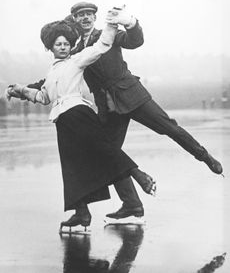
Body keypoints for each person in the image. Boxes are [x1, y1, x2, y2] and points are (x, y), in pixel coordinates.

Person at [17, 2, 224, 221]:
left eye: (89, 14)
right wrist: (22, 90)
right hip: (108, 107)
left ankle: (205, 157)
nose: (85, 18)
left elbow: (135, 41)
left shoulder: (109, 35)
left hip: (131, 94)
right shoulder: (74, 50)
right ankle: (132, 205)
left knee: (169, 128)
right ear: (75, 20)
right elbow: (53, 79)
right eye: (80, 15)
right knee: (109, 154)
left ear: (95, 18)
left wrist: (131, 23)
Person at [6, 14, 155, 232]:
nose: (64, 47)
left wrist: (112, 24)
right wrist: (18, 89)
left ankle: (140, 177)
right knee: (72, 168)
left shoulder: (77, 60)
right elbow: (43, 97)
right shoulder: (51, 73)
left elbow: (102, 45)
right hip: (62, 121)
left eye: (66, 44)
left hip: (79, 113)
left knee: (105, 150)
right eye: (59, 44)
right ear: (51, 48)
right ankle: (82, 213)